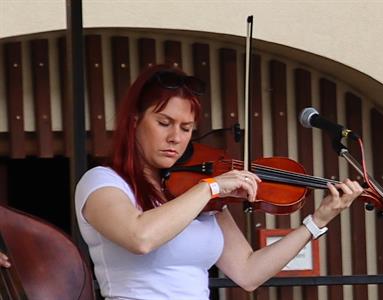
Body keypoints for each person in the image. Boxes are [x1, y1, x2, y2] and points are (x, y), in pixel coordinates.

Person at [75, 64, 363, 299]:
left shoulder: (196, 195)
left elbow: (248, 273)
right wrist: (210, 186)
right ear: (135, 121)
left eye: (187, 128)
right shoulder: (102, 182)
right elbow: (140, 238)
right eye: (164, 123)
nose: (176, 137)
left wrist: (318, 220)